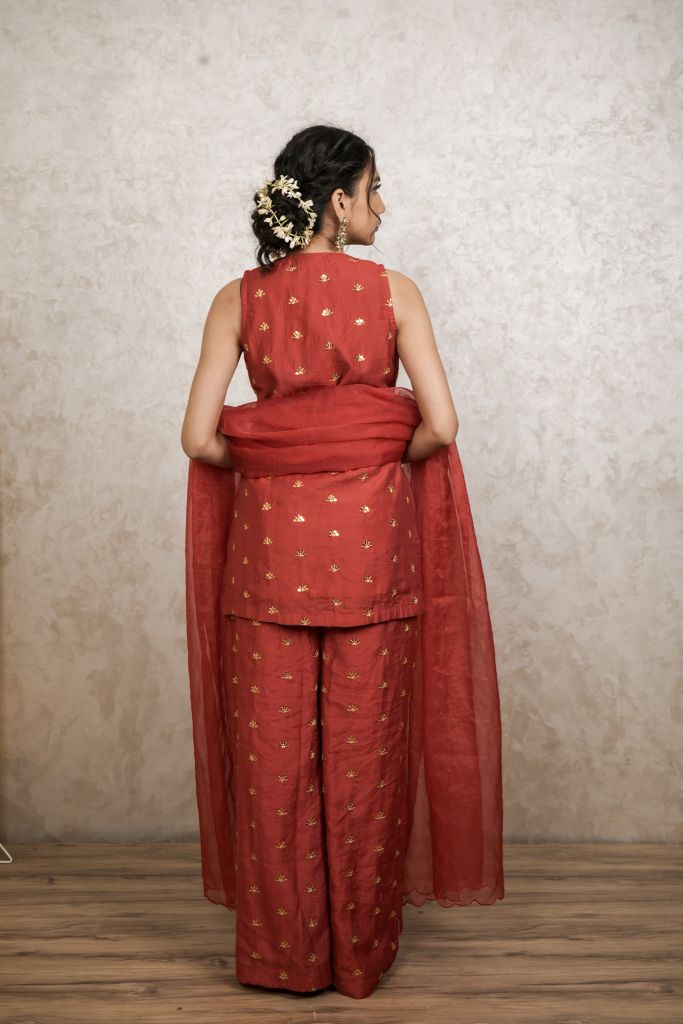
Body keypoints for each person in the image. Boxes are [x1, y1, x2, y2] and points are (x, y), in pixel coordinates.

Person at [181, 125, 504, 1000]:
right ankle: (357, 957)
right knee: (364, 760)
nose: (381, 206)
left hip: (265, 564)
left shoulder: (236, 298)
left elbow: (200, 439)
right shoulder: (393, 292)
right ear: (337, 200)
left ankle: (282, 961)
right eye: (374, 188)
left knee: (273, 765)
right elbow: (440, 425)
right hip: (372, 560)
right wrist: (363, 455)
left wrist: (281, 459)